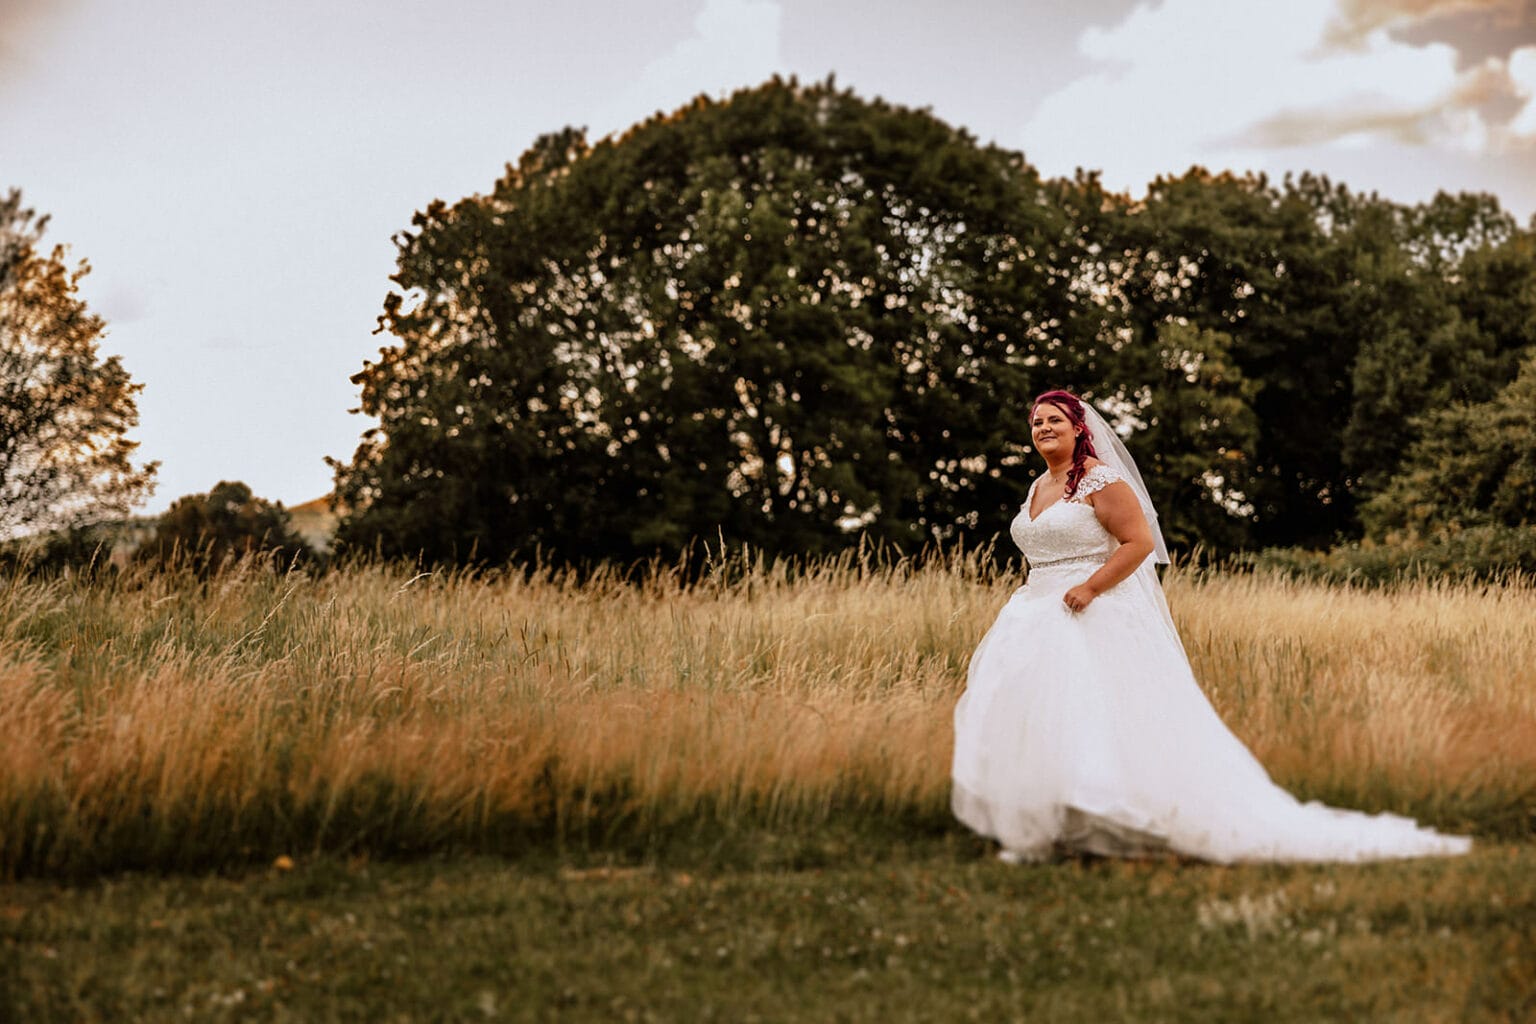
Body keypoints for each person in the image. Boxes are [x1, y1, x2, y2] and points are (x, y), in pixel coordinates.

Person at [950, 389, 1472, 863]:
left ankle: (1121, 824)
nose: (1043, 428)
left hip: (1092, 611)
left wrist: (1089, 587)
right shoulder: (1039, 487)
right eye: (1037, 422)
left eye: (1054, 421)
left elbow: (1138, 544)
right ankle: (1051, 831)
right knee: (1042, 720)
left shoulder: (1100, 480)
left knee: (1097, 718)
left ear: (1078, 428)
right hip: (1034, 614)